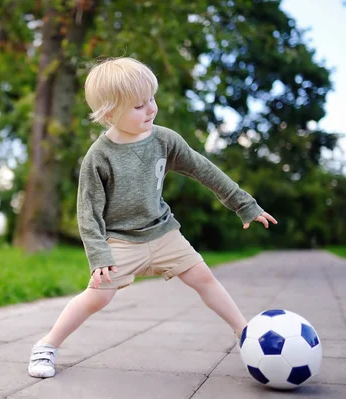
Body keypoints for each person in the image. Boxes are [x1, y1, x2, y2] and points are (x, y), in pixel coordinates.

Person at [27, 57, 278, 378]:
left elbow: (204, 170)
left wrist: (244, 205)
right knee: (96, 298)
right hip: (120, 241)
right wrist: (99, 254)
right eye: (138, 106)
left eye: (151, 100)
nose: (150, 109)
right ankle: (46, 345)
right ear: (109, 114)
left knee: (204, 278)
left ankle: (246, 334)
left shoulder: (164, 140)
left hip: (163, 232)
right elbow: (87, 211)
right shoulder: (98, 156)